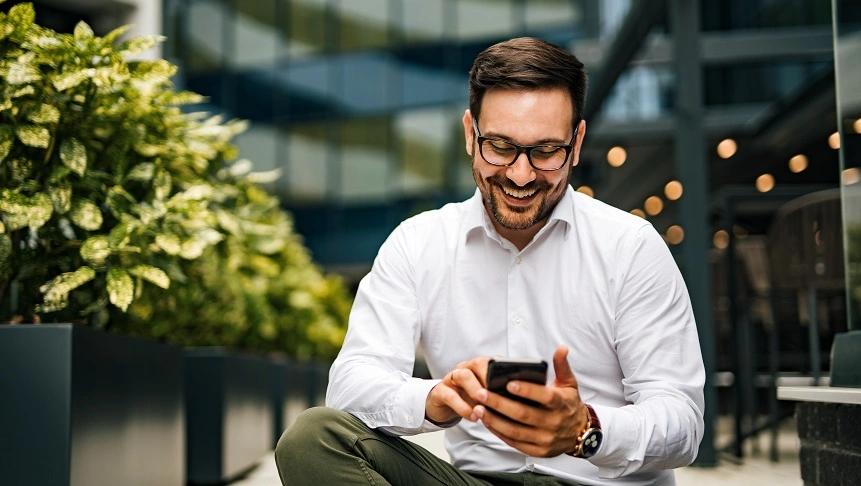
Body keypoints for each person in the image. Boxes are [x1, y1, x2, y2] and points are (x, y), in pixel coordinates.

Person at [276, 36, 705, 486]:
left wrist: (586, 431)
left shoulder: (630, 247)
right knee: (314, 439)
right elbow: (351, 384)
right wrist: (436, 397)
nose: (520, 175)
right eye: (500, 147)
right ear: (470, 134)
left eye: (545, 151)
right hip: (478, 481)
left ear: (576, 143)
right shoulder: (418, 243)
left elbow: (682, 421)